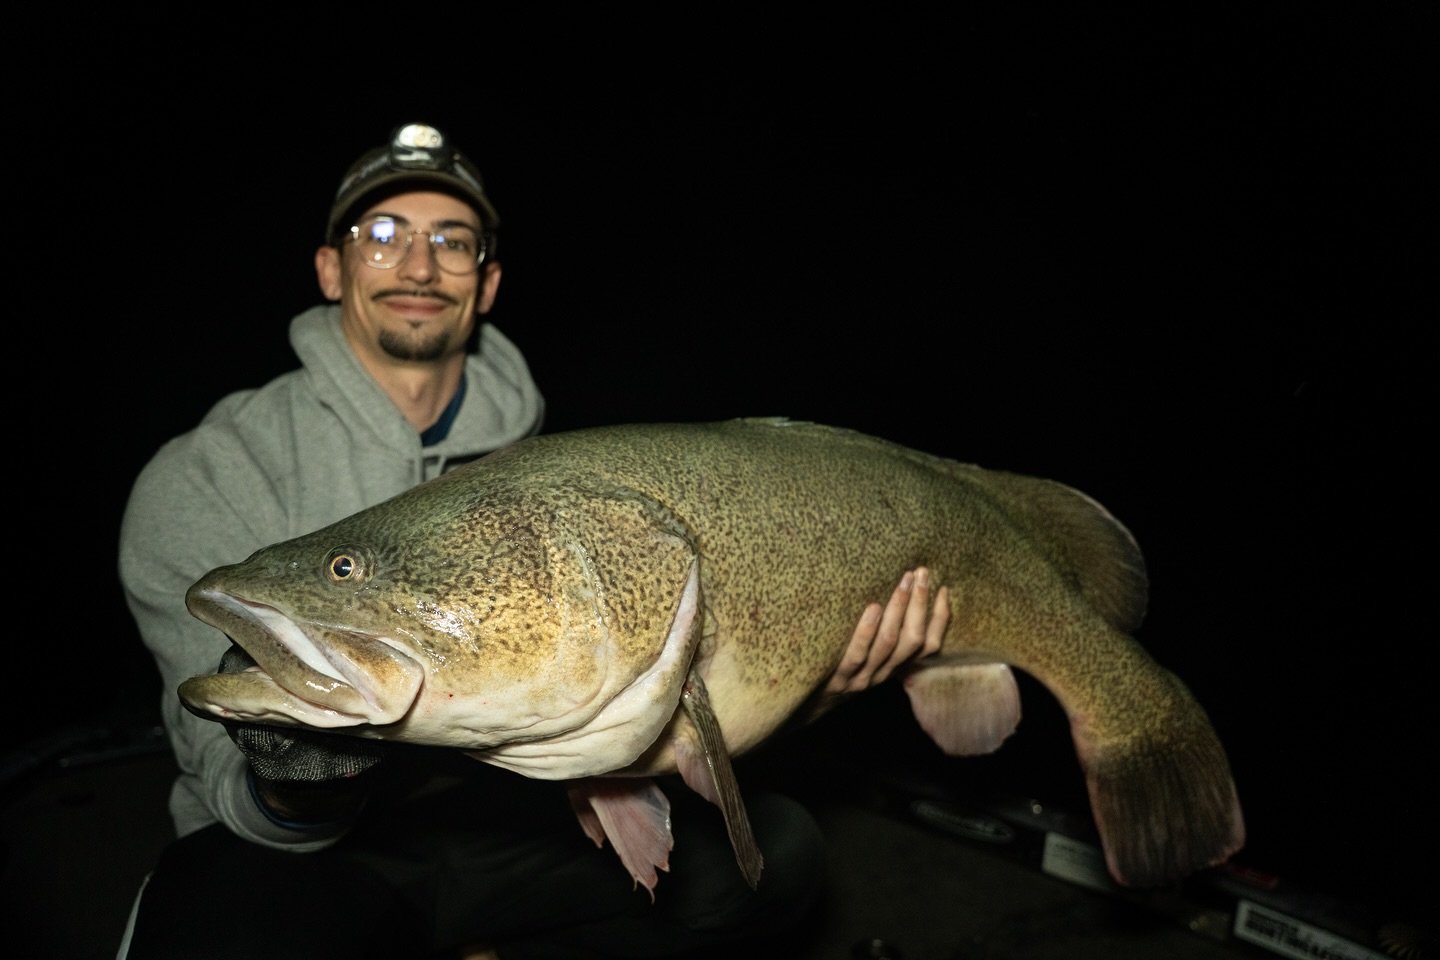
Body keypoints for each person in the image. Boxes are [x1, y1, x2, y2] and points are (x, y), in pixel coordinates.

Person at [116, 121, 951, 960]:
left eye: (453, 240)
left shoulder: (542, 458)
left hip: (502, 821)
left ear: (486, 283)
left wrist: (817, 678)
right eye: (383, 235)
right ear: (331, 268)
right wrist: (294, 774)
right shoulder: (203, 478)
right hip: (315, 854)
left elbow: (612, 683)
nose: (418, 264)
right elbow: (235, 797)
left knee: (774, 861)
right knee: (222, 924)